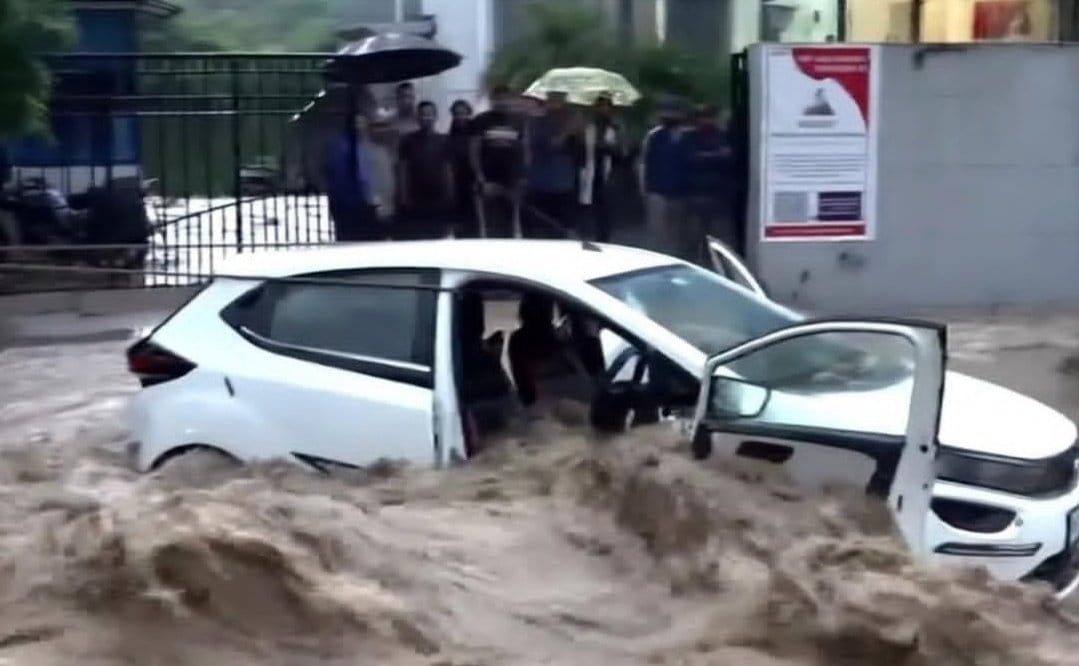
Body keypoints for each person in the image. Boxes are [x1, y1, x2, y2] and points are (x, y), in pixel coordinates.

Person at [679, 104, 737, 262]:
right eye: (703, 117)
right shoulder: (689, 136)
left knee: (718, 240)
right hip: (695, 194)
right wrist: (715, 156)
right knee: (693, 238)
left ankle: (716, 266)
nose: (707, 120)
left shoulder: (721, 135)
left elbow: (729, 158)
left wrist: (705, 157)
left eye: (710, 116)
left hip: (717, 194)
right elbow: (689, 159)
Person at [470, 84, 528, 238]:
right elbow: (474, 151)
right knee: (492, 226)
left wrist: (521, 177)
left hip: (511, 182)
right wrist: (481, 179)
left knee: (511, 226)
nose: (502, 102)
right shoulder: (481, 120)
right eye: (498, 99)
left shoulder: (518, 121)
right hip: (489, 182)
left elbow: (523, 150)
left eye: (505, 98)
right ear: (492, 100)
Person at [526, 90, 583, 238]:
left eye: (561, 100)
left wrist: (580, 131)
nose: (558, 105)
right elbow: (552, 144)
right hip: (543, 185)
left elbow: (578, 151)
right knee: (545, 228)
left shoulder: (568, 121)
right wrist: (568, 131)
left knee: (566, 228)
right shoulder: (538, 122)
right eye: (555, 100)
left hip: (565, 183)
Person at [322, 112, 386, 241]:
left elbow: (379, 177)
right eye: (356, 123)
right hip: (347, 205)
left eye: (361, 122)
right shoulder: (339, 149)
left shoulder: (375, 150)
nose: (358, 126)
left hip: (369, 205)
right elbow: (332, 176)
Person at [397, 100, 453, 239]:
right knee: (418, 237)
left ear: (435, 116)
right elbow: (403, 169)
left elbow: (448, 169)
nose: (425, 118)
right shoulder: (407, 140)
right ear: (417, 117)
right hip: (415, 198)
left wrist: (451, 195)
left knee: (439, 237)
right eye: (422, 114)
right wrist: (403, 196)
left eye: (429, 114)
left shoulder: (444, 140)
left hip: (439, 198)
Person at [639, 99, 688, 255]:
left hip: (680, 191)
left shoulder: (688, 136)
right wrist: (643, 188)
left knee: (677, 234)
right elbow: (643, 163)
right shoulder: (653, 136)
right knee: (657, 233)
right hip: (657, 190)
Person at [580, 92, 624, 243]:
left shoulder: (616, 127)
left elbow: (623, 153)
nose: (603, 109)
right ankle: (586, 236)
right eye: (601, 106)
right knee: (587, 207)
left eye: (607, 106)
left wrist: (609, 148)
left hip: (608, 173)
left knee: (605, 210)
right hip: (588, 171)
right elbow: (579, 149)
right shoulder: (588, 126)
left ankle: (603, 239)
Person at [447, 99, 477, 237]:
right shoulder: (450, 135)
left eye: (463, 113)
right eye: (457, 114)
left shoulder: (475, 132)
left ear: (469, 114)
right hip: (456, 182)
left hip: (474, 180)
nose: (460, 117)